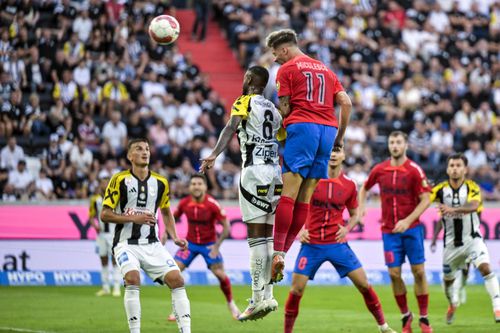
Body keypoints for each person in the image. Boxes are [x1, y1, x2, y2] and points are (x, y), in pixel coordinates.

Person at [265, 29, 352, 282]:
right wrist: (340, 137)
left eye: (275, 54)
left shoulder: (288, 69)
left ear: (284, 50)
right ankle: (283, 254)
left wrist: (281, 129)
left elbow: (285, 107)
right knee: (305, 198)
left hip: (303, 127)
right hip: (328, 131)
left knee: (288, 194)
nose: (275, 59)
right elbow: (345, 102)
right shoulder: (325, 69)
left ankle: (277, 252)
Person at [285, 148, 397, 333]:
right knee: (296, 289)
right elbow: (294, 206)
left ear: (344, 156)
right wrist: (299, 231)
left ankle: (383, 326)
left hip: (337, 245)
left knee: (363, 284)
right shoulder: (311, 180)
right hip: (311, 244)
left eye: (338, 150)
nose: (334, 154)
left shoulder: (349, 185)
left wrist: (347, 228)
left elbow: (355, 214)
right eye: (330, 150)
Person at [201, 66, 282, 321]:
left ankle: (257, 298)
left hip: (254, 172)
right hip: (275, 174)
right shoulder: (273, 109)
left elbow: (230, 128)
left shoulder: (243, 101)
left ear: (248, 80)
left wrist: (214, 154)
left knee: (256, 238)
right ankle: (268, 295)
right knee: (268, 237)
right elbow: (281, 135)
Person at [100, 138, 191, 333]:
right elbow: (105, 214)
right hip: (125, 243)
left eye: (147, 149)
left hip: (152, 244)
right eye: (139, 149)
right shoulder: (119, 180)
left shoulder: (161, 182)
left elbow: (166, 212)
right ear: (129, 156)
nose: (145, 152)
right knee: (133, 278)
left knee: (177, 280)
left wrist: (174, 236)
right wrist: (134, 219)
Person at [358, 131, 433, 333]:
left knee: (419, 272)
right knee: (393, 274)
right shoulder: (380, 169)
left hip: (412, 230)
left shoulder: (414, 171)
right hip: (389, 232)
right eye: (392, 142)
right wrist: (361, 207)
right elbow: (364, 188)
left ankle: (424, 318)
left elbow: (427, 199)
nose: (395, 146)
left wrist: (408, 221)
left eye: (399, 142)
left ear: (406, 145)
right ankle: (406, 315)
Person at [429, 153, 500, 324]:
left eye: (458, 165)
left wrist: (451, 210)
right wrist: (433, 238)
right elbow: (427, 202)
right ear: (447, 169)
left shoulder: (472, 187)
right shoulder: (440, 190)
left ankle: (497, 307)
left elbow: (473, 206)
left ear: (465, 169)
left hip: (472, 240)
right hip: (451, 246)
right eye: (452, 165)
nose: (455, 168)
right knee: (447, 283)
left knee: (485, 268)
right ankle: (453, 302)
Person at [166, 173, 240, 321]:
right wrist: (167, 234)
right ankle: (177, 309)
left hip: (209, 244)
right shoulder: (184, 203)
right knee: (173, 273)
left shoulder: (212, 204)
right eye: (193, 184)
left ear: (205, 187)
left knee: (220, 275)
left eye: (199, 184)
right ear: (189, 187)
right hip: (190, 244)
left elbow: (226, 227)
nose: (196, 186)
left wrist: (217, 247)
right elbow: (171, 218)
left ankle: (231, 304)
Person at [89, 175, 121, 297]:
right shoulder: (95, 199)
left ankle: (117, 286)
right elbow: (91, 216)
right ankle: (106, 287)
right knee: (103, 259)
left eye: (107, 183)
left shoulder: (116, 198)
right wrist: (95, 225)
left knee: (114, 260)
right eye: (102, 183)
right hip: (101, 234)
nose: (104, 185)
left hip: (113, 234)